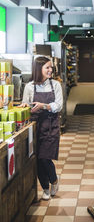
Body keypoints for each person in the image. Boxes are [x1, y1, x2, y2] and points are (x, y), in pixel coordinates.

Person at [20, 56, 63, 200]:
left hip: (51, 126)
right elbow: (25, 104)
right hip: (35, 127)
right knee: (37, 160)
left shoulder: (55, 85)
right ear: (39, 69)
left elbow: (58, 105)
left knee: (45, 157)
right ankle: (45, 188)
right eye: (47, 67)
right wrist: (25, 107)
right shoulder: (29, 86)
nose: (51, 70)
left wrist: (44, 106)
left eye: (51, 67)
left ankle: (54, 180)